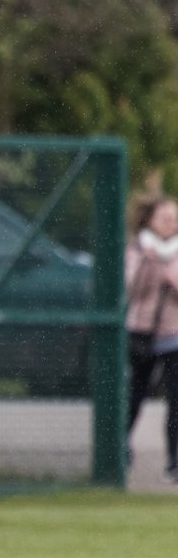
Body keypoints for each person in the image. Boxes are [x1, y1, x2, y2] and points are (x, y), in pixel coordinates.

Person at [125, 192, 178, 481]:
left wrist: (167, 266)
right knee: (134, 396)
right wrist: (149, 263)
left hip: (174, 336)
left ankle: (175, 461)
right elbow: (133, 288)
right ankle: (119, 449)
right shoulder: (138, 249)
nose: (172, 224)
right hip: (141, 334)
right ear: (150, 221)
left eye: (175, 219)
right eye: (166, 218)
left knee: (176, 402)